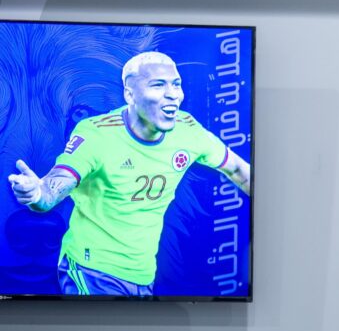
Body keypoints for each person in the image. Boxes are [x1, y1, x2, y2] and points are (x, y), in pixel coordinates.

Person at [7, 51, 250, 295]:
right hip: (92, 270)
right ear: (129, 94)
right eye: (158, 85)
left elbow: (239, 170)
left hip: (142, 275)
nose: (173, 94)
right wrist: (38, 194)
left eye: (176, 84)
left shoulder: (187, 130)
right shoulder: (96, 134)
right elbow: (56, 186)